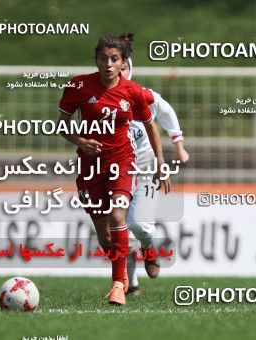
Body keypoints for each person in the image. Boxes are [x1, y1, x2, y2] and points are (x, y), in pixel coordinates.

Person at [57, 33, 169, 305]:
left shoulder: (133, 92)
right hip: (90, 166)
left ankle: (119, 284)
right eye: (103, 58)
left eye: (114, 59)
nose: (108, 64)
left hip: (122, 161)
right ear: (96, 61)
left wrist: (160, 161)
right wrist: (80, 141)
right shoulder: (78, 86)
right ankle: (123, 261)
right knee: (106, 238)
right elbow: (61, 124)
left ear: (123, 63)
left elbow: (151, 125)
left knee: (120, 218)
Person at [120, 49, 189, 296]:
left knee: (138, 225)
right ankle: (130, 284)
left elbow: (167, 111)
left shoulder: (141, 94)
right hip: (114, 170)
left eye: (123, 66)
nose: (118, 72)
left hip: (146, 167)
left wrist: (178, 146)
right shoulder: (96, 98)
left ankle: (149, 249)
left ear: (129, 68)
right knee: (118, 231)